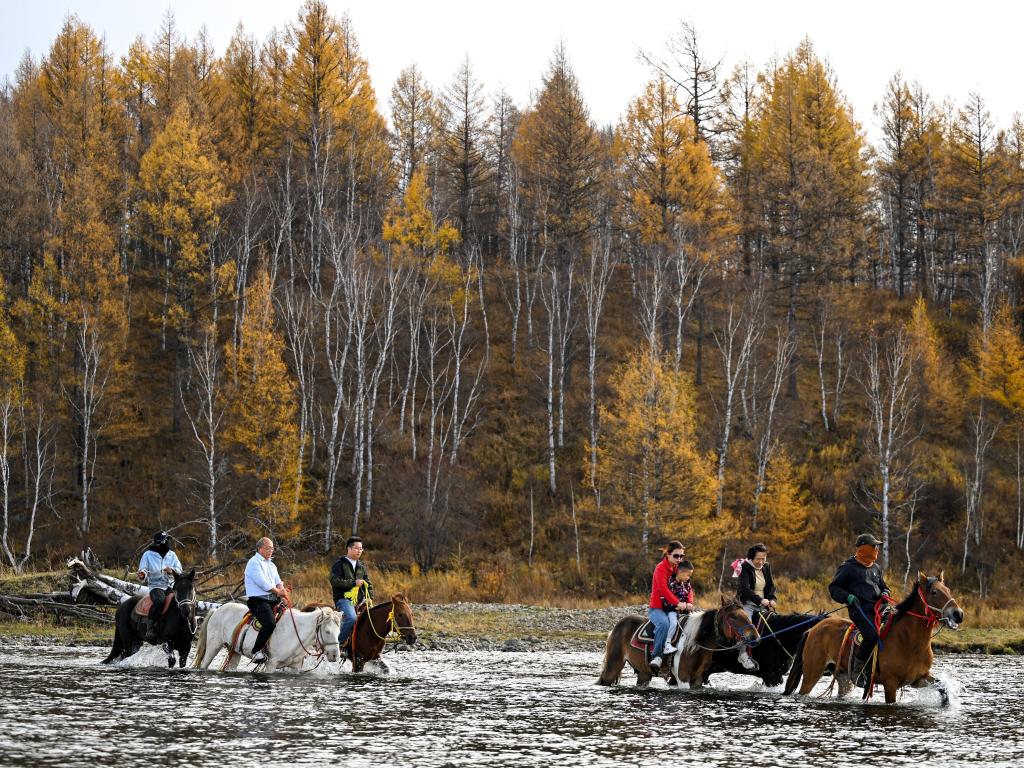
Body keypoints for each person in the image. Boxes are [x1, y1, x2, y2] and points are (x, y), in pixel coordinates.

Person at [828, 533, 890, 687]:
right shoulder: (848, 567)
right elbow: (834, 588)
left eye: (877, 546)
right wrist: (847, 597)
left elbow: (884, 586)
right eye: (873, 546)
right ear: (864, 548)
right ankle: (857, 671)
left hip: (879, 608)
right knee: (871, 636)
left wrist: (885, 593)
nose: (876, 549)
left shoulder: (876, 567)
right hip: (859, 610)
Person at [244, 537, 290, 664]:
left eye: (272, 548)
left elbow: (278, 582)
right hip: (257, 600)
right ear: (260, 549)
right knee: (270, 623)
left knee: (291, 617)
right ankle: (256, 651)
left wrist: (283, 595)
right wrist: (278, 592)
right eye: (268, 548)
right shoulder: (253, 563)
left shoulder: (272, 565)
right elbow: (262, 583)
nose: (271, 551)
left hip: (272, 600)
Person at [647, 541, 690, 672]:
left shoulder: (680, 568)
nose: (679, 559)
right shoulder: (660, 568)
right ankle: (657, 657)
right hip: (658, 608)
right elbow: (663, 589)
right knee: (664, 624)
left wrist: (689, 603)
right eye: (676, 556)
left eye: (681, 556)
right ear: (668, 554)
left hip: (675, 607)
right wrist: (678, 603)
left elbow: (689, 586)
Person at [330, 536, 373, 658]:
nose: (359, 551)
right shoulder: (339, 564)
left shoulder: (361, 566)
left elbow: (368, 584)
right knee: (352, 618)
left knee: (372, 619)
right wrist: (353, 583)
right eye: (356, 548)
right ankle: (338, 644)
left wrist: (370, 597)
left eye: (361, 549)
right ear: (349, 549)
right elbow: (334, 581)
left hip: (359, 601)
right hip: (343, 599)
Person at [136, 531, 183, 643]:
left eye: (168, 540)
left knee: (183, 601)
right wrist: (142, 574)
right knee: (160, 602)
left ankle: (184, 629)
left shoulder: (172, 554)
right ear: (160, 542)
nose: (168, 542)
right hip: (156, 586)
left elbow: (180, 570)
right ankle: (150, 627)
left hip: (171, 586)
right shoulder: (148, 554)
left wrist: (172, 571)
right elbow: (143, 570)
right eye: (166, 540)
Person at [736, 543, 777, 620]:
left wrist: (772, 599)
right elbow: (745, 589)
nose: (761, 562)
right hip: (747, 605)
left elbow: (771, 587)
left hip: (763, 606)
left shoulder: (767, 566)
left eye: (763, 559)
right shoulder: (744, 567)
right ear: (752, 558)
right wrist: (760, 600)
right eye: (758, 559)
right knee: (747, 627)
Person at [663, 560, 696, 654]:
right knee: (673, 623)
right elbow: (667, 597)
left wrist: (690, 603)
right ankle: (667, 644)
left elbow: (690, 593)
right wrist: (676, 605)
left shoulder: (686, 582)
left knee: (693, 621)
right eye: (688, 575)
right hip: (671, 609)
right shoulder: (671, 582)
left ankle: (689, 642)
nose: (689, 577)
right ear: (681, 572)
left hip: (684, 609)